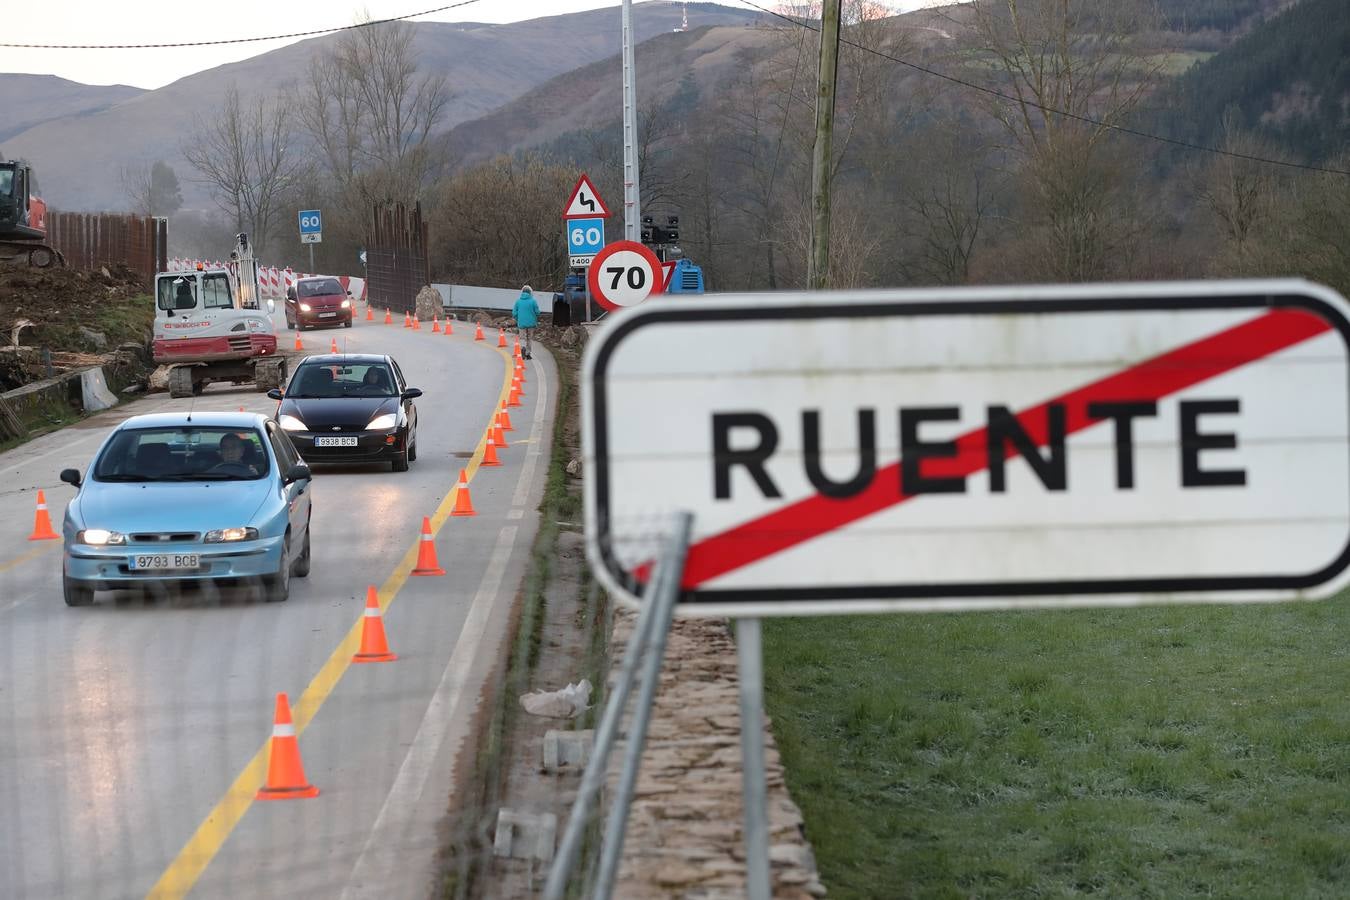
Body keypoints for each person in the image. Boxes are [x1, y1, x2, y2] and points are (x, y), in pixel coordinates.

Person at [512, 284, 540, 360]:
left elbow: (514, 313)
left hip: (521, 323)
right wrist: (534, 316)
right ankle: (528, 354)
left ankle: (523, 349)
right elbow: (538, 312)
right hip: (531, 323)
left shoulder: (518, 301)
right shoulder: (533, 301)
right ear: (530, 292)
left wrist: (518, 318)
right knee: (529, 338)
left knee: (522, 338)